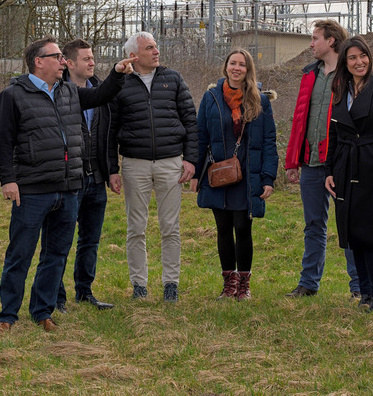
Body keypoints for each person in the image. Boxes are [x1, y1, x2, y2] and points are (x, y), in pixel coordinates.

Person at [0, 36, 135, 333]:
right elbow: (3, 142)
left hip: (69, 187)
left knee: (55, 255)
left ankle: (43, 312)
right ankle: (7, 316)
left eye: (62, 56)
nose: (62, 61)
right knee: (20, 253)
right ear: (38, 62)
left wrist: (118, 74)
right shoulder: (13, 95)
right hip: (32, 189)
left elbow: (100, 96)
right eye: (56, 56)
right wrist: (8, 179)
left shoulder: (69, 91)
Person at [107, 32, 198, 303]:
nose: (156, 51)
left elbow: (190, 121)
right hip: (135, 165)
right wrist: (113, 169)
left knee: (170, 226)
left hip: (171, 162)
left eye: (156, 46)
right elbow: (110, 130)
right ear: (134, 55)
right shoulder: (120, 85)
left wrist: (190, 159)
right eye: (150, 48)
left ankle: (171, 283)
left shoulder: (174, 79)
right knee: (136, 227)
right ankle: (139, 285)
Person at [191, 49, 279, 301]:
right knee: (222, 228)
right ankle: (228, 284)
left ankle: (243, 285)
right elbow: (200, 137)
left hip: (248, 175)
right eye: (233, 63)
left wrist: (268, 177)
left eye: (242, 64)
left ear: (248, 69)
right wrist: (196, 173)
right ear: (226, 67)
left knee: (243, 227)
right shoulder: (211, 98)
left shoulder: (260, 100)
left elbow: (270, 142)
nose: (237, 68)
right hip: (218, 174)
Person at [284, 20, 360, 298]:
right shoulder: (310, 75)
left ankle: (359, 286)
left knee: (349, 225)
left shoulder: (351, 74)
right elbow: (300, 120)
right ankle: (308, 283)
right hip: (312, 163)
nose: (311, 43)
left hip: (340, 164)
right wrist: (293, 160)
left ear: (331, 41)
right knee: (313, 224)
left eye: (315, 38)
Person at [324, 36, 373, 312]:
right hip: (345, 164)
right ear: (345, 62)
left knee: (372, 233)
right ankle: (365, 294)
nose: (359, 62)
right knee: (352, 231)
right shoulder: (340, 89)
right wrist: (330, 170)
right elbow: (334, 133)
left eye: (363, 56)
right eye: (352, 57)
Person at [55, 39, 115, 312]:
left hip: (96, 178)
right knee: (61, 240)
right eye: (86, 59)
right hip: (70, 180)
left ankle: (84, 291)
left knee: (90, 240)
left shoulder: (102, 92)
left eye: (93, 58)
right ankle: (57, 296)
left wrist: (111, 170)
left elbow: (109, 135)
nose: (92, 62)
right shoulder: (58, 93)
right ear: (69, 63)